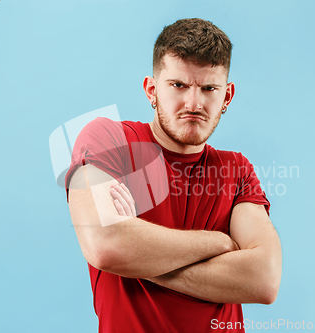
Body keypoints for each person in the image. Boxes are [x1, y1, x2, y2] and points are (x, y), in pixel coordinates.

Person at [65, 18, 282, 333]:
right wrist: (219, 242)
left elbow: (264, 279)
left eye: (209, 88)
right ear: (152, 89)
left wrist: (138, 258)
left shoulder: (237, 170)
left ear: (227, 97)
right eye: (178, 85)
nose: (194, 103)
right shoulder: (108, 139)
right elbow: (105, 244)